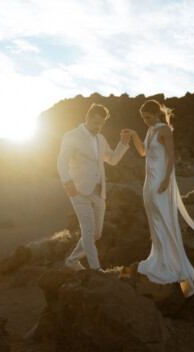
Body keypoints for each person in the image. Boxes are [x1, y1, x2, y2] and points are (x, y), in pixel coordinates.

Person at [122, 100, 194, 298]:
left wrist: (166, 179)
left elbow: (171, 156)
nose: (146, 121)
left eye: (149, 117)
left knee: (165, 222)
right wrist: (135, 135)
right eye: (143, 118)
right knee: (154, 222)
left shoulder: (164, 130)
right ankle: (160, 259)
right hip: (148, 183)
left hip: (161, 181)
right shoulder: (150, 130)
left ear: (158, 114)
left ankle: (175, 267)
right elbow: (143, 153)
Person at [57, 103, 131, 272]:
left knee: (97, 233)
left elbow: (112, 159)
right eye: (96, 123)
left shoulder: (101, 139)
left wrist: (123, 144)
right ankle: (96, 269)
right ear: (87, 118)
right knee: (88, 230)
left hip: (99, 191)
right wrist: (67, 181)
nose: (99, 127)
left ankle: (73, 259)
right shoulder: (71, 136)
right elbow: (61, 160)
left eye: (102, 124)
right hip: (77, 190)